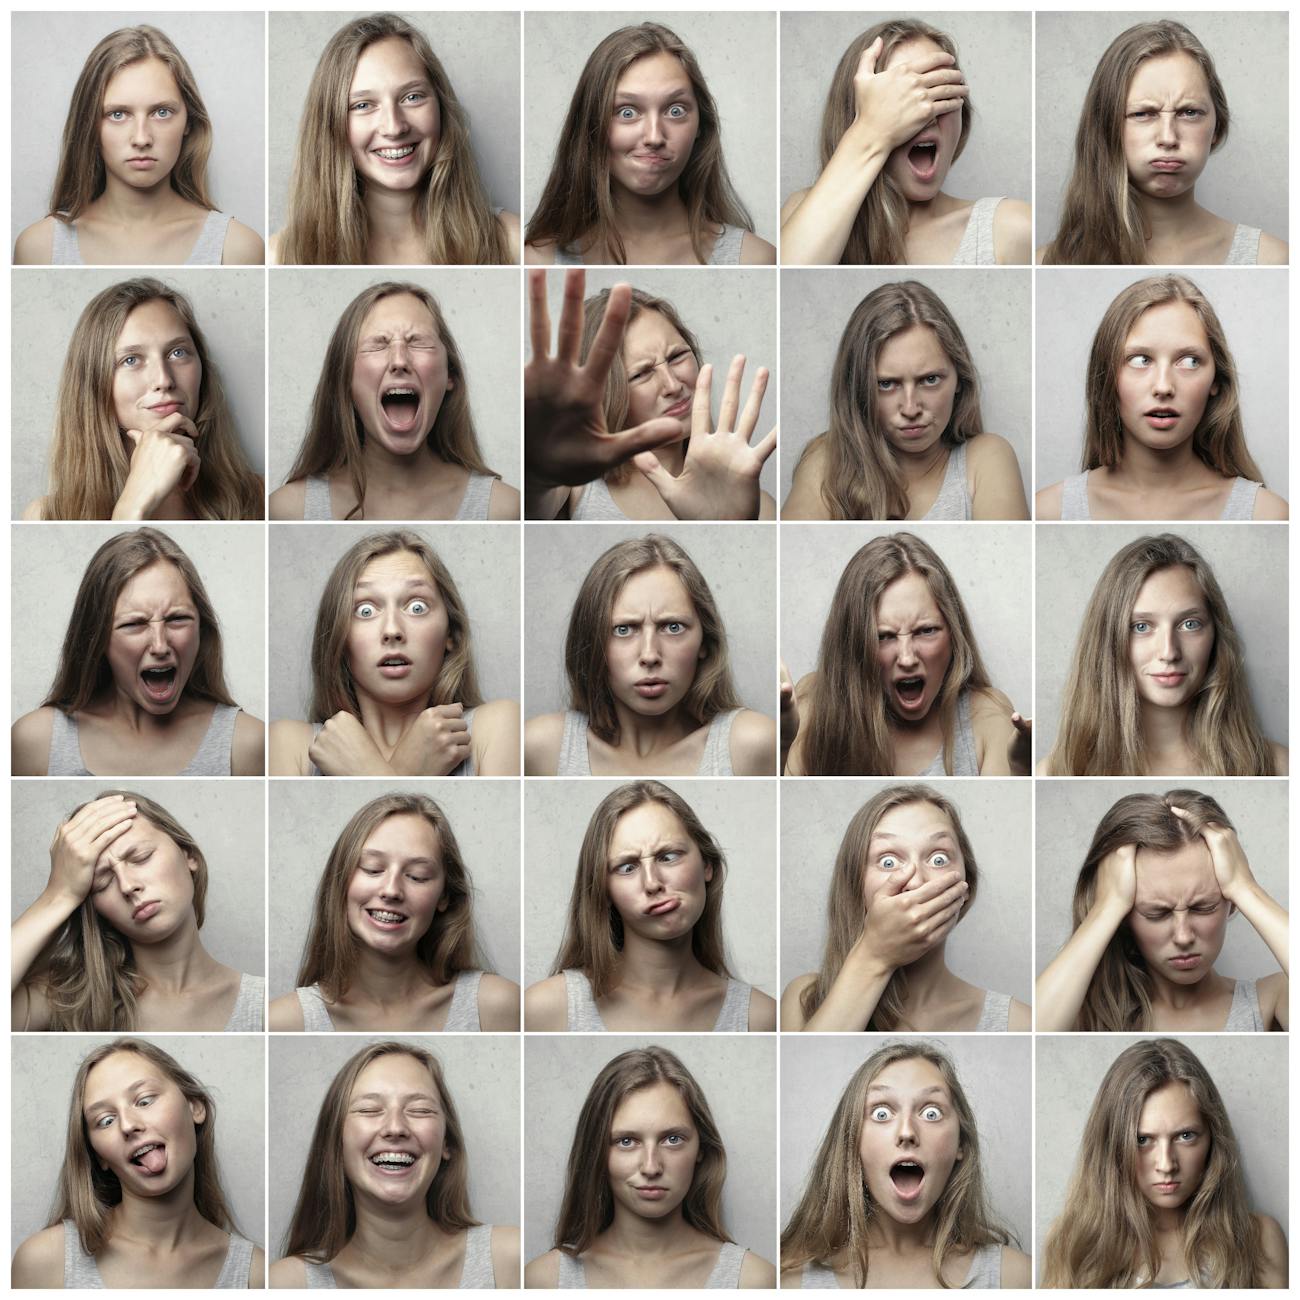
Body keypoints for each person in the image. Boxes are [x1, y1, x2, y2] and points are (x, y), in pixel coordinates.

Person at [11, 528, 265, 777]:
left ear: (202, 628)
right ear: (96, 639)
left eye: (177, 619)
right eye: (134, 624)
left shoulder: (246, 743)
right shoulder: (37, 741)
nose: (160, 646)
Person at [10, 1038, 263, 1288]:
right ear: (99, 1156)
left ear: (194, 1107)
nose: (128, 1125)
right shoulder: (45, 1262)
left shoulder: (255, 1276)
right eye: (106, 1120)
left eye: (145, 1100)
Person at [271, 13, 518, 265]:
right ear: (330, 123)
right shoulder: (279, 256)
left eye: (412, 97)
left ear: (441, 107)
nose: (394, 127)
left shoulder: (512, 242)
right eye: (363, 105)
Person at [526, 781, 775, 1032]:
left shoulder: (759, 1018)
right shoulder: (547, 1009)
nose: (652, 883)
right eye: (627, 867)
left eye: (668, 857)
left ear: (707, 864)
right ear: (604, 890)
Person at [526, 272, 776, 520]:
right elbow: (531, 509)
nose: (672, 385)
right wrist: (540, 471)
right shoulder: (577, 484)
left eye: (677, 356)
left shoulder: (760, 508)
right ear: (604, 394)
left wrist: (729, 524)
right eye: (642, 373)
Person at [781, 20, 1031, 266]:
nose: (925, 113)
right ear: (855, 114)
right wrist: (868, 133)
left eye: (940, 91)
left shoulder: (1009, 229)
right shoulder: (801, 210)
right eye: (902, 97)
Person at [781, 1040, 1029, 1288]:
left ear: (960, 1143)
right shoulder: (790, 1281)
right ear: (851, 1141)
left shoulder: (1015, 1278)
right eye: (881, 1114)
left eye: (931, 1113)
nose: (907, 1132)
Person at [1037, 276, 1287, 521]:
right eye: (1140, 360)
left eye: (1190, 361)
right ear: (1106, 375)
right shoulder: (1050, 511)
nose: (1164, 386)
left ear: (1216, 380)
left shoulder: (1266, 514)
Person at [1041, 1038, 1288, 1287]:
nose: (1167, 1165)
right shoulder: (1073, 1244)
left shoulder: (1259, 1240)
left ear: (1213, 1137)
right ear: (1111, 1145)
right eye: (1142, 1140)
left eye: (1186, 1136)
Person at [270, 530, 518, 777]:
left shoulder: (495, 728)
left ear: (451, 634)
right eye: (365, 611)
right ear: (339, 638)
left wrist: (366, 772)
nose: (392, 630)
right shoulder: (291, 746)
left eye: (417, 607)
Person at [271, 1042, 520, 1288]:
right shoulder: (286, 1284)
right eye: (369, 1110)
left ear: (447, 1143)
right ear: (336, 1142)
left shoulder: (508, 1261)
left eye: (420, 1110)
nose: (395, 1127)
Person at [782, 785, 1028, 1032]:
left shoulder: (1017, 1023)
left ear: (966, 887)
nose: (916, 881)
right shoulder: (804, 1000)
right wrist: (874, 955)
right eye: (888, 862)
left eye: (938, 859)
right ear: (855, 885)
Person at [1036, 790, 1287, 1032]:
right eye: (1157, 913)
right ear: (1125, 918)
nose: (1183, 937)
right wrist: (1107, 907)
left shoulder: (1274, 997)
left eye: (1203, 907)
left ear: (1231, 903)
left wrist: (1245, 888)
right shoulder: (1075, 1010)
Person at [1039, 21, 1287, 265]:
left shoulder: (1271, 259)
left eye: (1189, 112)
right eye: (1142, 113)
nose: (1168, 138)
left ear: (1217, 127)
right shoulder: (1048, 262)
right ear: (1106, 126)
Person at [782, 532, 1030, 776]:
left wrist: (1020, 771)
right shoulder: (815, 705)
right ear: (853, 644)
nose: (907, 658)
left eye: (926, 631)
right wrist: (784, 745)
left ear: (954, 635)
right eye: (883, 636)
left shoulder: (986, 718)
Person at [525, 22, 775, 266]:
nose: (654, 137)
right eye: (627, 112)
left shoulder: (754, 259)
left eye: (675, 111)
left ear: (701, 125)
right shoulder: (538, 259)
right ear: (590, 124)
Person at [12, 791, 264, 1032]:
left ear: (189, 856)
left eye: (141, 857)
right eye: (102, 882)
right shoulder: (70, 999)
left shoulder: (262, 1006)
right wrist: (58, 895)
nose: (127, 886)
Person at [525, 534, 775, 776]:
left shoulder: (748, 745)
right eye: (624, 629)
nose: (649, 655)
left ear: (705, 642)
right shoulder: (543, 747)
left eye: (673, 627)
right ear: (591, 643)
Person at [268, 281, 519, 521]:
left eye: (417, 341)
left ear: (450, 375)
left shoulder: (503, 509)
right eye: (379, 344)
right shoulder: (288, 510)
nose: (399, 361)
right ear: (344, 379)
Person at [526, 1046, 775, 1287]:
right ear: (596, 1151)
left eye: (672, 1139)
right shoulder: (545, 1280)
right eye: (626, 1141)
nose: (651, 1167)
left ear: (701, 1148)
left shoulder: (752, 1281)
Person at [13, 25, 262, 266]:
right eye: (118, 114)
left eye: (161, 112)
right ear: (89, 124)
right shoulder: (39, 248)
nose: (142, 139)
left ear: (189, 121)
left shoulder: (237, 249)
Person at [1041, 533, 1287, 776]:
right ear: (1108, 641)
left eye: (1190, 624)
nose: (1169, 652)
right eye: (1141, 627)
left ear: (1216, 634)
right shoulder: (1058, 770)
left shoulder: (1279, 766)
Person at [269, 793, 518, 1032]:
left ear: (444, 896)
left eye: (417, 876)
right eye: (373, 869)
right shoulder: (283, 1021)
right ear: (340, 882)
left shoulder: (496, 1006)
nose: (391, 890)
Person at [23, 277, 264, 521]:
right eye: (131, 360)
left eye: (178, 352)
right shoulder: (48, 516)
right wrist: (132, 506)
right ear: (94, 382)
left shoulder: (257, 498)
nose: (163, 380)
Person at [782, 281, 1027, 519]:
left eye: (930, 379)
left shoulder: (985, 459)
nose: (910, 409)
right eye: (886, 384)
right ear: (858, 389)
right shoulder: (827, 461)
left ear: (959, 380)